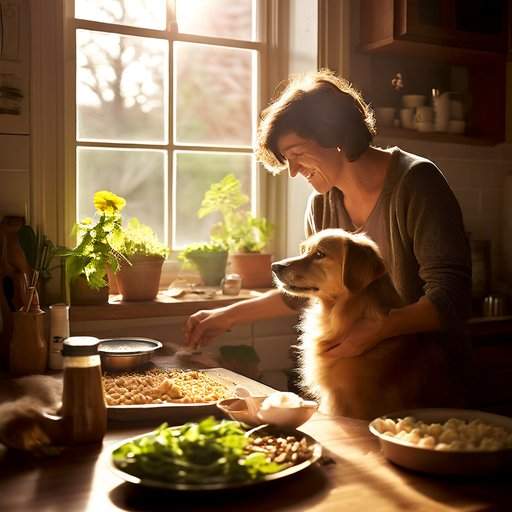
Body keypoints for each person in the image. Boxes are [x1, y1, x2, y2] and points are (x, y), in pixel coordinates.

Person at [185, 69, 471, 397]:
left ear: (335, 134)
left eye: (296, 154)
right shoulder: (321, 205)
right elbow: (304, 289)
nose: (292, 171)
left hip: (428, 383)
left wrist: (378, 329)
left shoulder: (417, 182)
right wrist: (228, 315)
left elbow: (452, 298)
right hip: (363, 378)